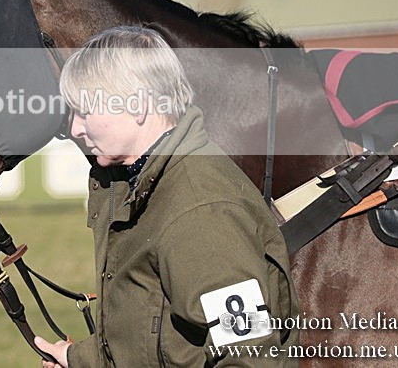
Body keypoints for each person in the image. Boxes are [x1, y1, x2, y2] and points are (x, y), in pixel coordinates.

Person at [35, 26, 298, 367]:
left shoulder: (201, 209)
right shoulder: (145, 182)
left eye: (85, 111)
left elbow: (249, 357)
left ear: (139, 105)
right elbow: (151, 331)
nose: (75, 129)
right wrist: (79, 359)